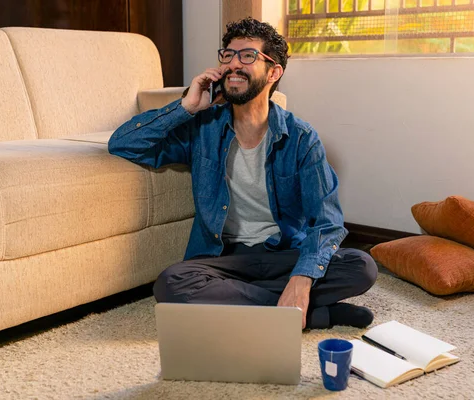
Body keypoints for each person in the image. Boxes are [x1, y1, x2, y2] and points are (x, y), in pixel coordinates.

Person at [108, 17, 377, 330]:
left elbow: (328, 223)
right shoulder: (202, 128)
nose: (233, 65)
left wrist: (301, 280)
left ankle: (277, 304)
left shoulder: (302, 138)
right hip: (224, 259)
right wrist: (186, 107)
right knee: (172, 284)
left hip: (283, 255)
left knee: (361, 266)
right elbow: (124, 144)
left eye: (247, 56)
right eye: (228, 55)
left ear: (274, 72)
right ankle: (317, 315)